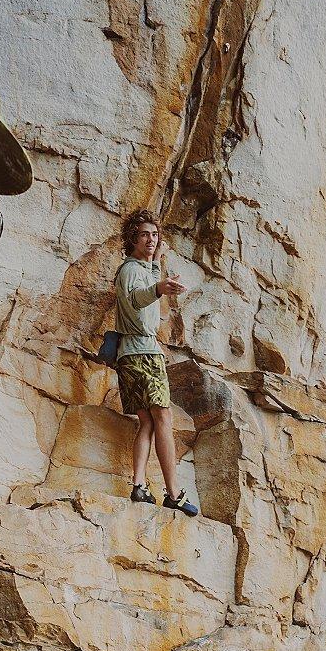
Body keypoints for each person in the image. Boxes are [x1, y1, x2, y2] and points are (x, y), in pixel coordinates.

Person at [114, 208, 199, 516]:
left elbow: (150, 274)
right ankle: (173, 493)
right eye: (143, 235)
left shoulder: (141, 267)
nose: (150, 239)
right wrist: (160, 288)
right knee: (164, 419)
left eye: (154, 234)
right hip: (143, 355)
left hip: (129, 356)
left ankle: (139, 485)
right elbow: (138, 297)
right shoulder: (130, 272)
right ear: (131, 239)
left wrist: (158, 257)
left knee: (148, 422)